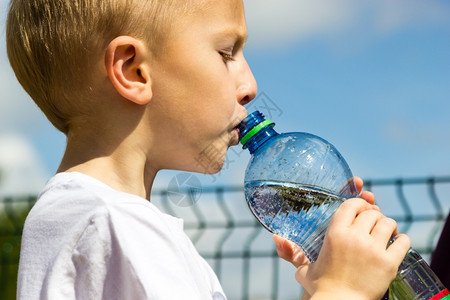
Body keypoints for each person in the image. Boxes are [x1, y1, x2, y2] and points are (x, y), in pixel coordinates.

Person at [6, 0, 410, 299]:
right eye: (226, 53)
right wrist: (343, 291)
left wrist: (321, 285)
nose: (250, 84)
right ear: (134, 70)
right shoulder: (114, 224)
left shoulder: (74, 219)